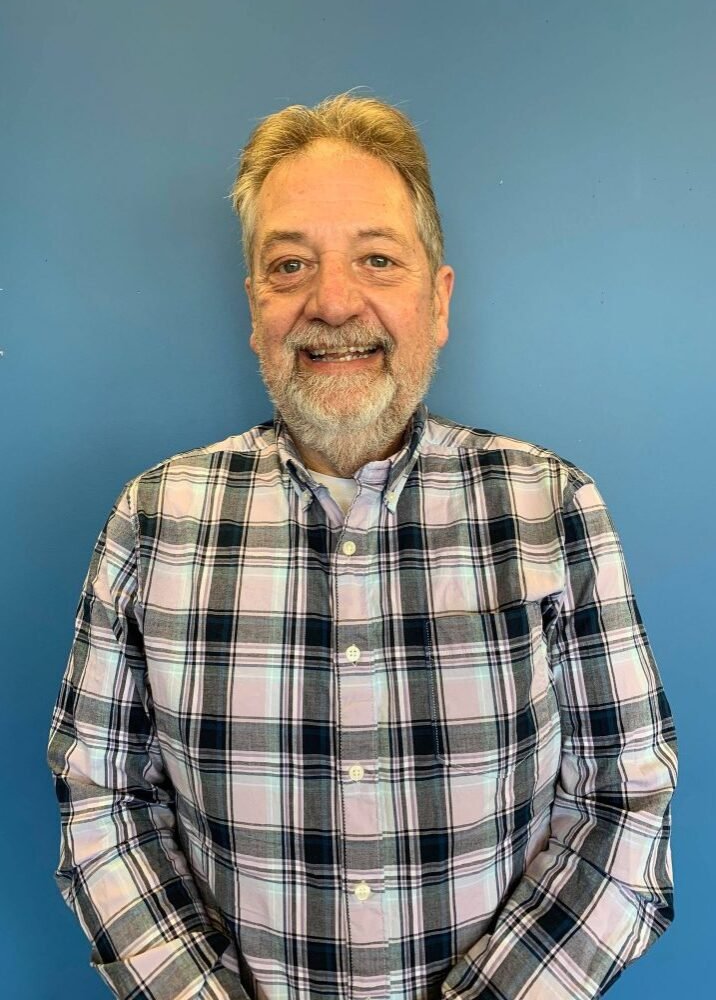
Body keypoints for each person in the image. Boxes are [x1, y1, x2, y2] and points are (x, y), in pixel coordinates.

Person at [48, 92, 677, 1000]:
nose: (333, 301)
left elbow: (625, 806)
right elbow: (104, 805)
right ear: (254, 304)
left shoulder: (552, 507)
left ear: (439, 298)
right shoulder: (152, 519)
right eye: (290, 264)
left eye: (376, 259)